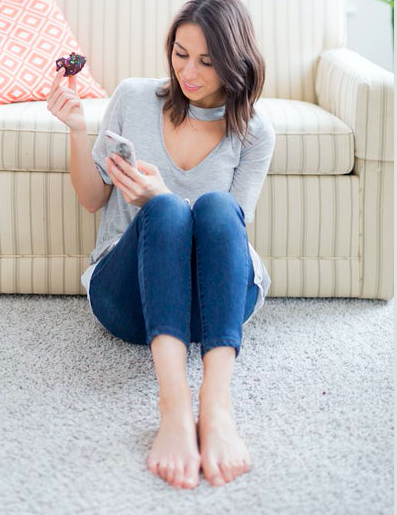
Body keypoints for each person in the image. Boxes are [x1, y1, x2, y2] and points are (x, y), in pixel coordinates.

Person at [47, 0, 275, 491]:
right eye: (180, 53)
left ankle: (216, 408)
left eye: (208, 62)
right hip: (128, 300)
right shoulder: (133, 98)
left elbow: (229, 233)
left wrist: (162, 193)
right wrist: (78, 129)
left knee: (212, 206)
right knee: (167, 212)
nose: (188, 72)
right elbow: (92, 200)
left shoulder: (255, 133)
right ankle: (173, 408)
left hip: (217, 305)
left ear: (236, 62)